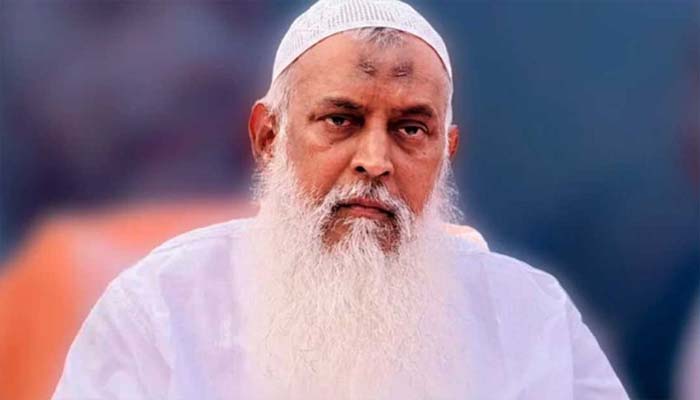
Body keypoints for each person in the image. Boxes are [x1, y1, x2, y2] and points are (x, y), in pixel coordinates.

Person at [52, 1, 628, 399]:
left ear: (446, 152)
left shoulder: (531, 319)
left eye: (410, 129)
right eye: (341, 120)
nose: (375, 159)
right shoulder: (161, 311)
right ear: (268, 137)